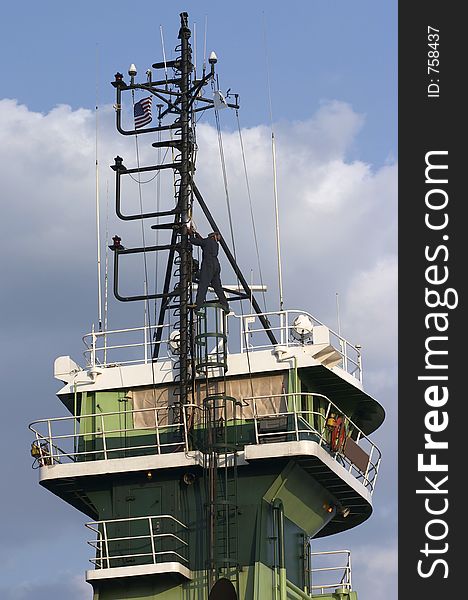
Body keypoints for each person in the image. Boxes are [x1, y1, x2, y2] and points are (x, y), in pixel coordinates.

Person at [188, 227, 229, 312]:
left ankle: (198, 304)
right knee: (218, 287)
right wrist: (198, 235)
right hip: (216, 266)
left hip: (208, 264)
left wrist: (191, 235)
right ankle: (225, 304)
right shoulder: (215, 244)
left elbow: (196, 242)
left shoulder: (207, 242)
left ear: (211, 236)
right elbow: (204, 244)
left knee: (203, 284)